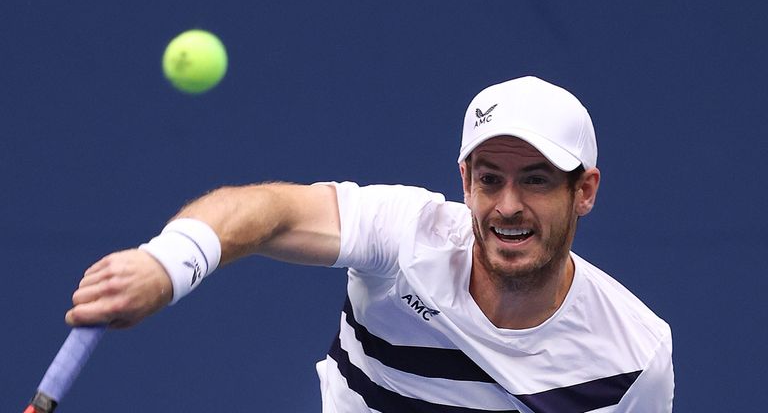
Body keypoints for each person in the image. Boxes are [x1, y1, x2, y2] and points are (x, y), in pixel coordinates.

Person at [66, 76, 674, 412]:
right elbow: (271, 213)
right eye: (490, 179)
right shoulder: (405, 236)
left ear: (584, 191)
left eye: (536, 180)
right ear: (465, 181)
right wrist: (166, 265)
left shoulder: (633, 357)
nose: (508, 205)